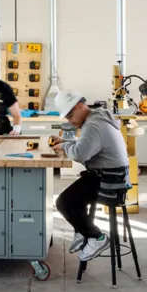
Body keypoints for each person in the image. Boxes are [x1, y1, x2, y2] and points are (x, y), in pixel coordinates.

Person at [52, 89, 129, 262]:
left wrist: (65, 147)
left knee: (64, 202)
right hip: (112, 176)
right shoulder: (97, 118)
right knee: (75, 198)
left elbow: (80, 154)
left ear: (80, 105)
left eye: (70, 115)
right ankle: (81, 231)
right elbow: (87, 144)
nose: (70, 121)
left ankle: (97, 238)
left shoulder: (93, 125)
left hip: (109, 182)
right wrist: (66, 142)